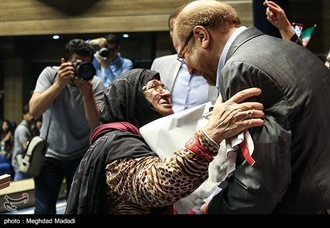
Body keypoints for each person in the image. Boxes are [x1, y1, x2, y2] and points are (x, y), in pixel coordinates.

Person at [173, 0, 330, 214]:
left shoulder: (240, 68)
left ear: (202, 36)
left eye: (183, 56)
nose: (189, 69)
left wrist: (214, 209)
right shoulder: (287, 48)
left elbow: (260, 183)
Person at [65, 68, 264, 214]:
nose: (166, 92)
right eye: (153, 87)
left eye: (164, 86)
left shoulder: (138, 138)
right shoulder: (119, 141)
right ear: (131, 99)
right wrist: (211, 135)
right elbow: (158, 186)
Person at [29, 38, 105, 214]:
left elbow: (96, 126)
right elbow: (34, 110)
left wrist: (87, 95)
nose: (82, 68)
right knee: (44, 210)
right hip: (49, 155)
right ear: (64, 62)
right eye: (77, 63)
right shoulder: (50, 74)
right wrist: (59, 84)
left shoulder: (95, 84)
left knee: (77, 209)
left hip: (81, 156)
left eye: (87, 64)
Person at [151, 7, 218, 112]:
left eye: (184, 30)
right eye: (175, 30)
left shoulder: (218, 64)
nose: (180, 35)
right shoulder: (159, 64)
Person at [11, 105, 34, 181]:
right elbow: (26, 147)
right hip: (20, 162)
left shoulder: (26, 127)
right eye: (29, 114)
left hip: (22, 162)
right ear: (23, 115)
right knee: (19, 186)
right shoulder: (22, 129)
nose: (32, 116)